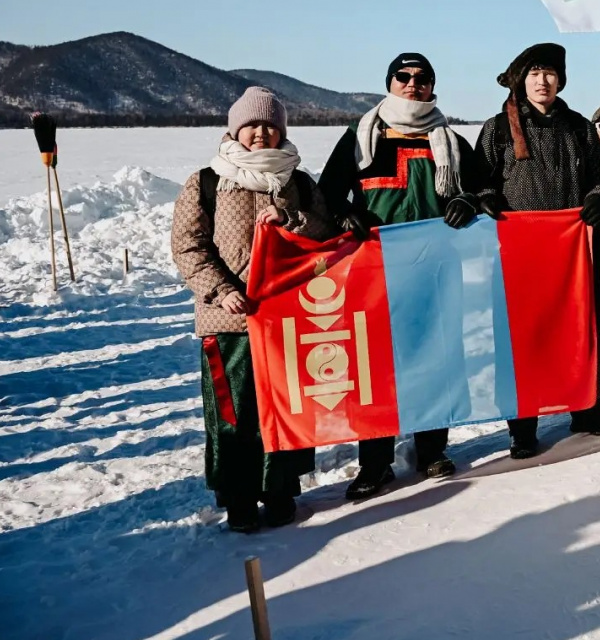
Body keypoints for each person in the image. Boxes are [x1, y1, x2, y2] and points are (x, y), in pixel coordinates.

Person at [319, 53, 489, 500]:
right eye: (404, 76)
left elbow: (484, 189)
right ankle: (374, 463)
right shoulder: (361, 138)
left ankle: (431, 449)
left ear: (432, 86)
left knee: (436, 358)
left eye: (422, 78)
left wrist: (468, 201)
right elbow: (326, 194)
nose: (413, 84)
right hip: (375, 270)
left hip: (436, 270)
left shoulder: (449, 140)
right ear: (390, 83)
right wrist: (344, 214)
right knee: (376, 366)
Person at [170, 88, 338, 532]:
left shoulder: (299, 183)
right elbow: (188, 247)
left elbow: (325, 234)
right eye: (251, 125)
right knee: (234, 413)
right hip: (229, 319)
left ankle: (279, 489)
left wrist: (292, 220)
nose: (261, 133)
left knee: (283, 407)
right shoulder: (207, 182)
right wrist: (220, 290)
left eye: (270, 125)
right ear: (235, 130)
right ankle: (240, 497)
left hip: (286, 317)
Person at [475, 44, 600, 448]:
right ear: (522, 80)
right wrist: (486, 197)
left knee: (582, 328)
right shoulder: (497, 128)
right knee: (524, 336)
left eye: (550, 73)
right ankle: (523, 426)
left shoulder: (578, 127)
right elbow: (481, 179)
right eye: (535, 73)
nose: (543, 81)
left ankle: (589, 410)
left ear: (561, 80)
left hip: (573, 250)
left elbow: (597, 177)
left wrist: (596, 198)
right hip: (520, 251)